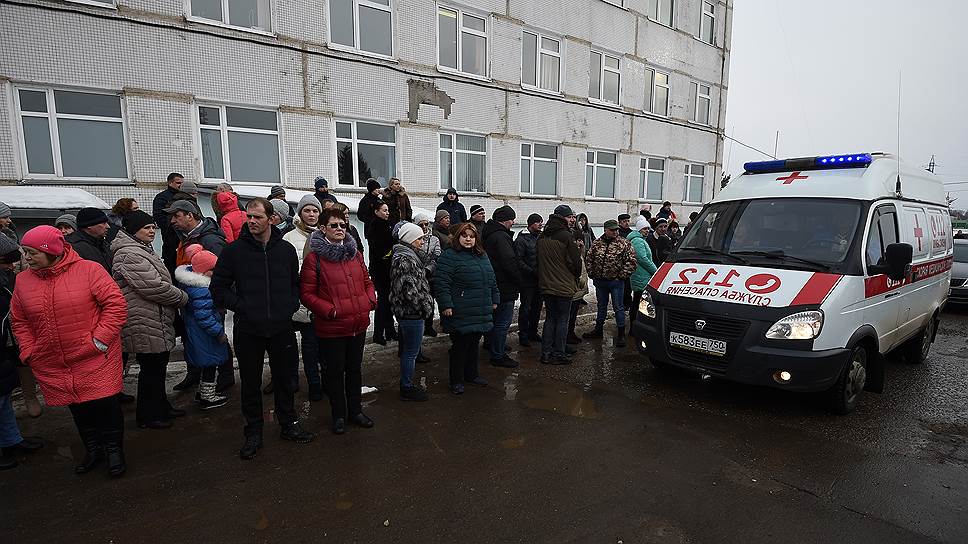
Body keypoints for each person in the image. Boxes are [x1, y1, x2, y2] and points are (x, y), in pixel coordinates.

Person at [11, 226, 128, 477]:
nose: (27, 258)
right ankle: (94, 450)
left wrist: (99, 341)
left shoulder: (89, 270)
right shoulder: (23, 280)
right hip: (52, 360)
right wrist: (29, 350)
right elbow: (19, 320)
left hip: (95, 357)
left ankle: (114, 451)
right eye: (25, 252)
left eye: (32, 253)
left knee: (105, 406)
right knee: (78, 408)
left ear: (51, 251)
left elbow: (115, 305)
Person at [210, 198, 315, 460]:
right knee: (250, 383)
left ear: (272, 219)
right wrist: (243, 307)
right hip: (249, 329)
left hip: (281, 327)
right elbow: (218, 289)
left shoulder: (286, 251)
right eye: (249, 217)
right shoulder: (234, 252)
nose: (252, 221)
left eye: (257, 217)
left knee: (285, 379)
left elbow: (295, 284)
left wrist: (289, 305)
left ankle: (288, 423)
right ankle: (253, 431)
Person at [110, 211, 189, 429]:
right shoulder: (129, 254)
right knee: (151, 370)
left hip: (153, 316)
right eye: (147, 228)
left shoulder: (141, 249)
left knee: (157, 367)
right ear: (134, 230)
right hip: (142, 318)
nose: (152, 231)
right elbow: (153, 287)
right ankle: (148, 416)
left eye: (153, 228)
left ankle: (161, 407)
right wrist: (182, 297)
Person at [301, 208, 377, 433]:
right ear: (323, 229)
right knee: (334, 373)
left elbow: (367, 281)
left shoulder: (355, 254)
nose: (339, 229)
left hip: (357, 324)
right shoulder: (314, 258)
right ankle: (338, 415)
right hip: (332, 327)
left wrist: (370, 300)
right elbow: (306, 294)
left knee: (354, 370)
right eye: (334, 225)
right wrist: (330, 311)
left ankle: (356, 411)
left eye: (342, 225)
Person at [166, 200, 234, 393]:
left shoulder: (210, 240)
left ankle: (225, 377)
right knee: (196, 339)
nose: (173, 221)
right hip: (192, 299)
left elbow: (223, 272)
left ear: (190, 215)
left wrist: (218, 300)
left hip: (208, 300)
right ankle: (195, 374)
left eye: (176, 216)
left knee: (216, 337)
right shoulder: (186, 237)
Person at [433, 223, 498, 395]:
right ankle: (456, 380)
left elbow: (491, 279)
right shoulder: (449, 256)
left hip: (480, 307)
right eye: (464, 235)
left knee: (474, 344)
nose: (468, 239)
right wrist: (446, 304)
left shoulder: (482, 255)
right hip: (460, 309)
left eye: (471, 236)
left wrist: (495, 298)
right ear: (457, 237)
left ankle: (472, 375)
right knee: (460, 347)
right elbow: (442, 283)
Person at [0, 236, 43, 470]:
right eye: (6, 261)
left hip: (5, 347)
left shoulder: (6, 278)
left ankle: (11, 441)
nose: (11, 265)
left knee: (3, 397)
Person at [174, 251, 230, 410]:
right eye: (213, 270)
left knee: (207, 364)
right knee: (210, 364)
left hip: (196, 332)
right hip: (205, 335)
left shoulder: (190, 285)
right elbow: (204, 317)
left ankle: (203, 392)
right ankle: (208, 397)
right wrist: (219, 332)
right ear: (202, 271)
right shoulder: (203, 290)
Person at [283, 195, 324, 402]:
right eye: (307, 211)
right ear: (300, 213)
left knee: (326, 346)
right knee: (310, 345)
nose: (311, 215)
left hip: (325, 299)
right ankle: (314, 384)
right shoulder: (289, 238)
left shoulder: (325, 235)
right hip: (303, 301)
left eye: (315, 211)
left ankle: (327, 381)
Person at [389, 223, 434, 401]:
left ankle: (406, 385)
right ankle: (406, 387)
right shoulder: (405, 259)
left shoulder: (407, 255)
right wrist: (425, 304)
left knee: (409, 351)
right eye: (419, 238)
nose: (422, 242)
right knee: (410, 352)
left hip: (408, 312)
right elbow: (408, 291)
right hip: (412, 312)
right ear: (410, 239)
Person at [536, 205, 581, 365]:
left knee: (550, 319)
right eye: (570, 217)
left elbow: (538, 260)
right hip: (563, 285)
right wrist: (574, 276)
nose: (572, 220)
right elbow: (575, 263)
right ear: (562, 218)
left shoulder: (542, 236)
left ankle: (546, 353)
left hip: (546, 284)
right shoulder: (566, 236)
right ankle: (559, 353)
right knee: (563, 320)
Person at [584, 219, 637, 347]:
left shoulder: (624, 243)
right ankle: (598, 330)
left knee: (618, 307)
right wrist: (591, 273)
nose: (615, 232)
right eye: (612, 230)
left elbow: (632, 261)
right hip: (600, 282)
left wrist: (621, 276)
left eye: (616, 230)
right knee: (601, 306)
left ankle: (621, 334)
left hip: (616, 282)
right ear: (605, 230)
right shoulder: (597, 243)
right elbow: (589, 258)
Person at [482, 206, 521, 368]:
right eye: (512, 219)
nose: (513, 222)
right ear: (505, 220)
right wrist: (520, 281)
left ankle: (492, 344)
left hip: (494, 283)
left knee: (494, 319)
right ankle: (498, 355)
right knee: (502, 322)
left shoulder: (489, 232)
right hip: (504, 285)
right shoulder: (501, 237)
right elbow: (509, 262)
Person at [367, 202, 396, 345]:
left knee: (390, 301)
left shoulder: (388, 224)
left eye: (388, 210)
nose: (387, 213)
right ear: (377, 211)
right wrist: (390, 253)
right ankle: (378, 334)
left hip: (388, 269)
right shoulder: (374, 226)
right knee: (383, 302)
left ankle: (390, 330)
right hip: (380, 270)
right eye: (384, 210)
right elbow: (380, 250)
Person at [515, 213, 543, 347]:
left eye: (541, 222)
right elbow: (518, 260)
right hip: (527, 280)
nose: (540, 224)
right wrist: (531, 271)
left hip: (539, 280)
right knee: (526, 308)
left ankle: (533, 331)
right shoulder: (522, 239)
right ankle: (523, 334)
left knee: (537, 307)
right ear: (531, 224)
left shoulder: (540, 237)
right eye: (538, 222)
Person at [414, 213, 442, 339]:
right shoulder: (414, 238)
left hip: (431, 274)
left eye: (426, 224)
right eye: (421, 224)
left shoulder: (434, 239)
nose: (424, 226)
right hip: (418, 274)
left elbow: (437, 255)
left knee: (430, 301)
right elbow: (415, 254)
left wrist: (428, 268)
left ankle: (429, 326)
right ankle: (421, 326)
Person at [628, 216, 658, 326]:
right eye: (645, 229)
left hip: (642, 276)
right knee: (638, 302)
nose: (647, 231)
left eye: (648, 229)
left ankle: (635, 325)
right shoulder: (637, 241)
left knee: (638, 301)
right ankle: (634, 326)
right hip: (641, 276)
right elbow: (642, 258)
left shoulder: (640, 240)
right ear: (639, 230)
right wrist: (655, 271)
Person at [154, 173, 185, 276]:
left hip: (185, 237)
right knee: (172, 266)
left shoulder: (185, 196)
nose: (180, 185)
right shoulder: (161, 198)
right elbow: (159, 217)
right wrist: (174, 226)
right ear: (170, 182)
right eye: (178, 183)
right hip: (170, 238)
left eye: (182, 183)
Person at [66, 207, 112, 272]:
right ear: (89, 225)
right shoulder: (74, 248)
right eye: (103, 223)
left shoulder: (103, 244)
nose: (108, 226)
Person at [566, 230, 590, 346]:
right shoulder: (571, 253)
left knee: (573, 314)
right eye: (577, 240)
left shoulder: (579, 252)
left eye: (581, 240)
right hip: (573, 288)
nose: (580, 243)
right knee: (569, 315)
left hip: (579, 289)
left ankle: (571, 333)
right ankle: (567, 335)